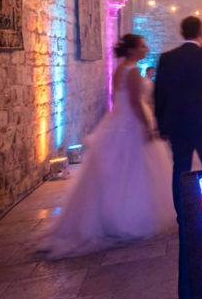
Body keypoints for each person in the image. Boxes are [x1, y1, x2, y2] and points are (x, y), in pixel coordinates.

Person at [44, 34, 174, 258]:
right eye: (142, 46)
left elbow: (117, 97)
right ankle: (131, 217)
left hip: (118, 119)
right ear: (133, 50)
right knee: (136, 169)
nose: (146, 49)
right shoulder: (132, 70)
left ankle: (107, 215)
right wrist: (146, 126)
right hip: (132, 121)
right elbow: (134, 102)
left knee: (116, 171)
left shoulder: (119, 68)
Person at [154, 16, 202, 222]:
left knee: (181, 169)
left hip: (177, 124)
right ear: (200, 33)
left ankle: (182, 214)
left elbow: (159, 94)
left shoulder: (167, 58)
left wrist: (162, 126)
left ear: (182, 32)